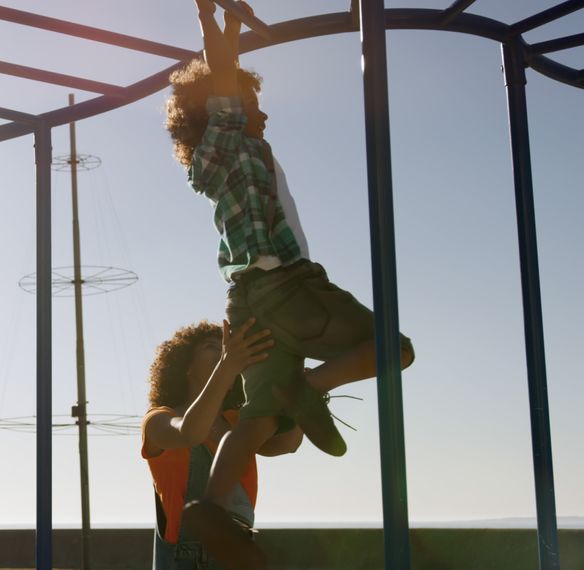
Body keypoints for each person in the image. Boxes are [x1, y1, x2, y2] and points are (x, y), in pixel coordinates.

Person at [163, 0, 416, 563]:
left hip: (247, 300)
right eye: (251, 102)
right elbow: (220, 77)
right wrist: (210, 19)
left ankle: (210, 509)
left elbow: (222, 74)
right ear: (221, 105)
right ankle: (312, 388)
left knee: (254, 419)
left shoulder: (217, 158)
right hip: (287, 286)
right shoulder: (228, 138)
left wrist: (229, 26)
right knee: (393, 349)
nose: (262, 112)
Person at [143, 319, 302, 570]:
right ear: (186, 366)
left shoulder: (240, 420)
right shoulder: (157, 420)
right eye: (211, 346)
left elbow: (287, 443)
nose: (223, 351)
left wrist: (299, 391)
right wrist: (228, 365)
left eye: (224, 347)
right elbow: (190, 433)